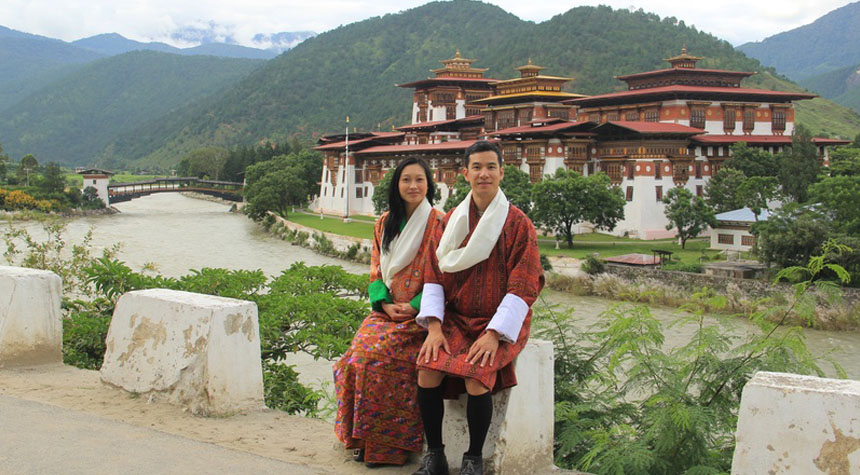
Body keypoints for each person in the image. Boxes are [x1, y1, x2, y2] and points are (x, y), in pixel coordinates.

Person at [411, 141, 545, 475]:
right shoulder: (451, 222)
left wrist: (494, 334)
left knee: (476, 378)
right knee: (427, 368)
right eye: (476, 167)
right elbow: (433, 274)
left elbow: (524, 284)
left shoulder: (518, 225)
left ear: (502, 172)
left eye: (490, 167)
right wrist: (435, 328)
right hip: (455, 319)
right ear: (465, 174)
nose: (483, 174)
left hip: (499, 320)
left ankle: (473, 460)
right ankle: (436, 456)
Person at [334, 156, 443, 467]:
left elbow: (446, 276)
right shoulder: (384, 223)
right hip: (386, 312)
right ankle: (361, 439)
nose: (413, 186)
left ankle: (389, 448)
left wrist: (414, 306)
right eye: (406, 179)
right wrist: (383, 304)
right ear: (396, 185)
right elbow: (375, 271)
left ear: (428, 185)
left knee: (380, 359)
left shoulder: (440, 223)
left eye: (419, 180)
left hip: (422, 316)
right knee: (356, 357)